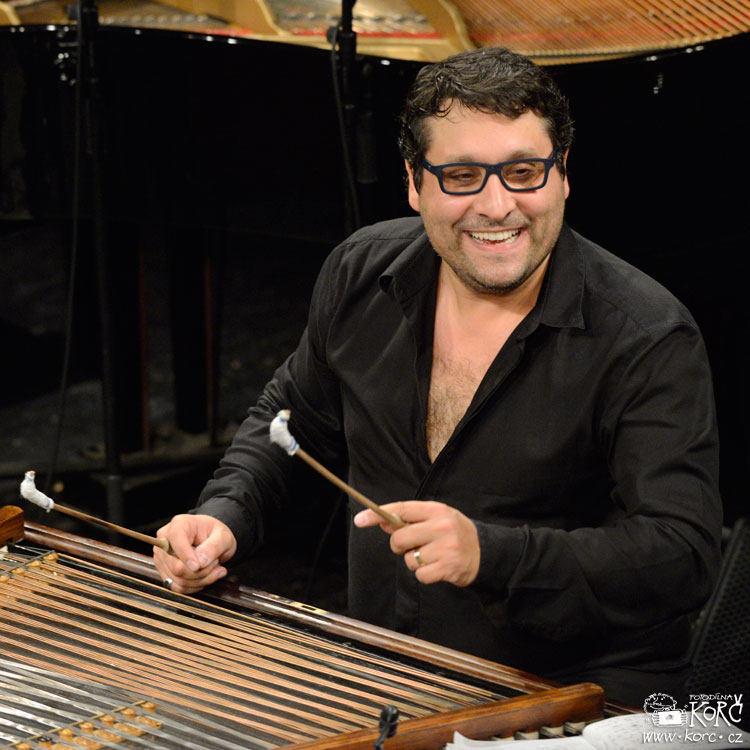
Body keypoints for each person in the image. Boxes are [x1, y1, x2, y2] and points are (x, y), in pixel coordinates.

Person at [153, 46, 722, 707]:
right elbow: (291, 421)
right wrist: (223, 516)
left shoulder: (647, 335)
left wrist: (489, 554)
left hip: (574, 695)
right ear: (414, 182)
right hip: (389, 670)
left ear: (563, 173)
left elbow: (681, 556)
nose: (497, 205)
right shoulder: (360, 272)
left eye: (523, 172)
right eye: (461, 176)